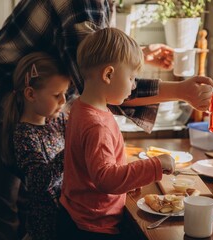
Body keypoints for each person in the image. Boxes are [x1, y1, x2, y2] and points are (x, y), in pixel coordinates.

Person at [0, 1, 213, 239]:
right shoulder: (82, 3)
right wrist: (181, 91)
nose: (131, 82)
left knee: (25, 213)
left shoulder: (77, 114)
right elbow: (95, 78)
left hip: (30, 108)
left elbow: (90, 57)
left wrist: (137, 56)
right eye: (131, 78)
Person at [57, 27, 176, 240]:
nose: (133, 85)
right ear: (108, 74)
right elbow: (106, 179)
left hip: (75, 214)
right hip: (94, 226)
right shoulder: (97, 125)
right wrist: (155, 165)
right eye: (131, 77)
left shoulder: (80, 107)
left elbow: (90, 166)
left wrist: (127, 181)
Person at [1, 52, 70, 240]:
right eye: (57, 95)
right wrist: (70, 152)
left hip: (67, 216)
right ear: (31, 94)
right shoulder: (24, 135)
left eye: (65, 93)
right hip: (45, 226)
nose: (63, 101)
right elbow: (39, 182)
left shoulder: (58, 120)